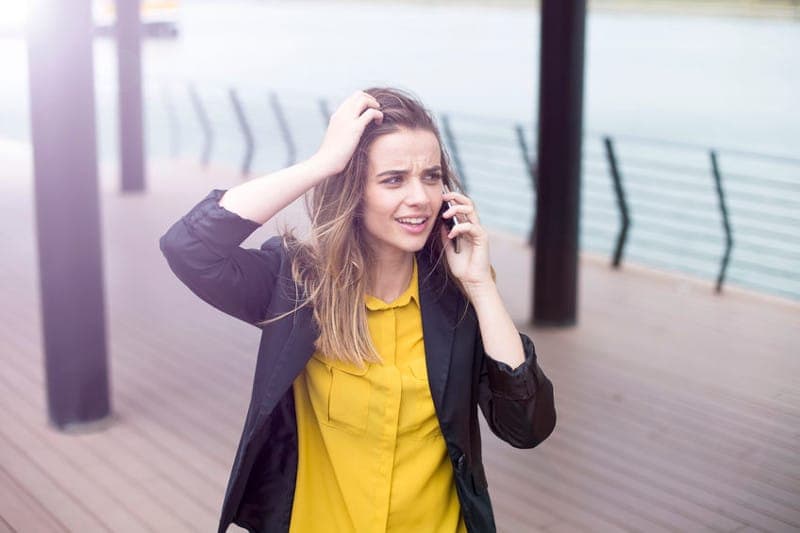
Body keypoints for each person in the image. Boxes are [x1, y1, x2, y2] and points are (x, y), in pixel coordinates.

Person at [159, 88, 556, 533]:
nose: (420, 198)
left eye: (430, 176)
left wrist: (482, 288)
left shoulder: (457, 295)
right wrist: (320, 165)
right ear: (353, 191)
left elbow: (527, 427)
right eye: (393, 180)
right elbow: (189, 247)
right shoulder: (299, 286)